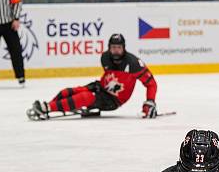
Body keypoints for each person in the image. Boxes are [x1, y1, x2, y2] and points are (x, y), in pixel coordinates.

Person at [27, 33, 158, 120]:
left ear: (124, 48)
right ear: (109, 48)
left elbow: (151, 83)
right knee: (69, 91)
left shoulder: (134, 63)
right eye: (113, 47)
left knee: (86, 97)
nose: (116, 50)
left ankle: (47, 109)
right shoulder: (105, 57)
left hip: (114, 100)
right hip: (101, 88)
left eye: (119, 47)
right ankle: (49, 105)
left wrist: (150, 102)